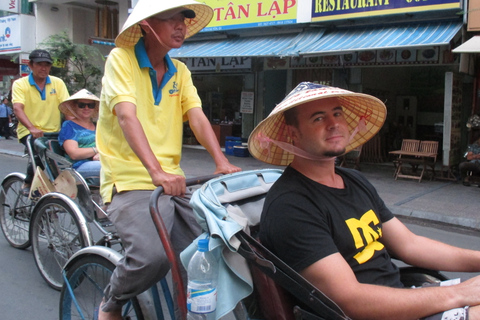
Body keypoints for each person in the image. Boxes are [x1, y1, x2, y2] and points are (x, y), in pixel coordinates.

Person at [248, 82, 480, 320]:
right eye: (318, 118)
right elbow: (350, 300)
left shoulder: (354, 180)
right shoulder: (291, 206)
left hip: (403, 300)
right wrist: (459, 293)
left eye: (337, 113)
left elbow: (410, 245)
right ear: (293, 134)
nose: (334, 123)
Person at [95, 1, 241, 319]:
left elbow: (197, 117)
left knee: (212, 249)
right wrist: (156, 171)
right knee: (152, 257)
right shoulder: (121, 60)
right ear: (147, 25)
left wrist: (221, 162)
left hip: (173, 180)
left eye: (184, 19)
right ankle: (113, 301)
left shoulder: (181, 72)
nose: (180, 25)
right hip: (130, 179)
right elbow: (126, 116)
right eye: (171, 19)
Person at [12, 49, 69, 190]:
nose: (43, 68)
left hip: (54, 131)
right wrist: (31, 128)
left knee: (66, 157)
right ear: (31, 65)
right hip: (30, 131)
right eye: (39, 64)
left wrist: (75, 127)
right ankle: (28, 182)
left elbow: (67, 109)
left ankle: (54, 191)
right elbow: (18, 108)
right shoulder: (20, 84)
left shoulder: (58, 83)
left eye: (47, 65)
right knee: (40, 151)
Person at [58, 89, 101, 185]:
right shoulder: (69, 126)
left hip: (99, 161)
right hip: (77, 167)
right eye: (81, 105)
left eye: (91, 105)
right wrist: (97, 150)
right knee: (111, 168)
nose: (86, 108)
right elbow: (74, 153)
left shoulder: (98, 126)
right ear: (74, 107)